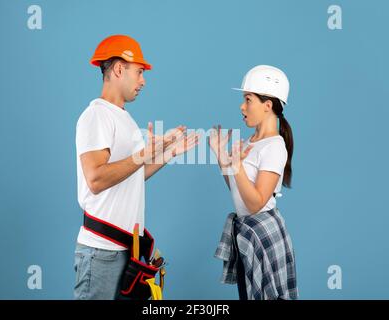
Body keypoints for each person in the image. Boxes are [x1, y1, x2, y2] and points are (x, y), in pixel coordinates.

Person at [74, 34, 199, 300]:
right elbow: (95, 179)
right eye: (140, 72)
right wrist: (143, 154)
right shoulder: (97, 115)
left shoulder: (125, 119)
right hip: (100, 253)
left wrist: (165, 155)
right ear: (119, 69)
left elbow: (129, 175)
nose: (143, 81)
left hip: (124, 252)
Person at [210, 65, 298, 300]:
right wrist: (222, 159)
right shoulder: (251, 141)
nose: (242, 106)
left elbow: (256, 202)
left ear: (267, 105)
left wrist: (236, 166)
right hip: (247, 232)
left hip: (262, 233)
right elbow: (238, 191)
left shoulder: (275, 146)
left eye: (248, 100)